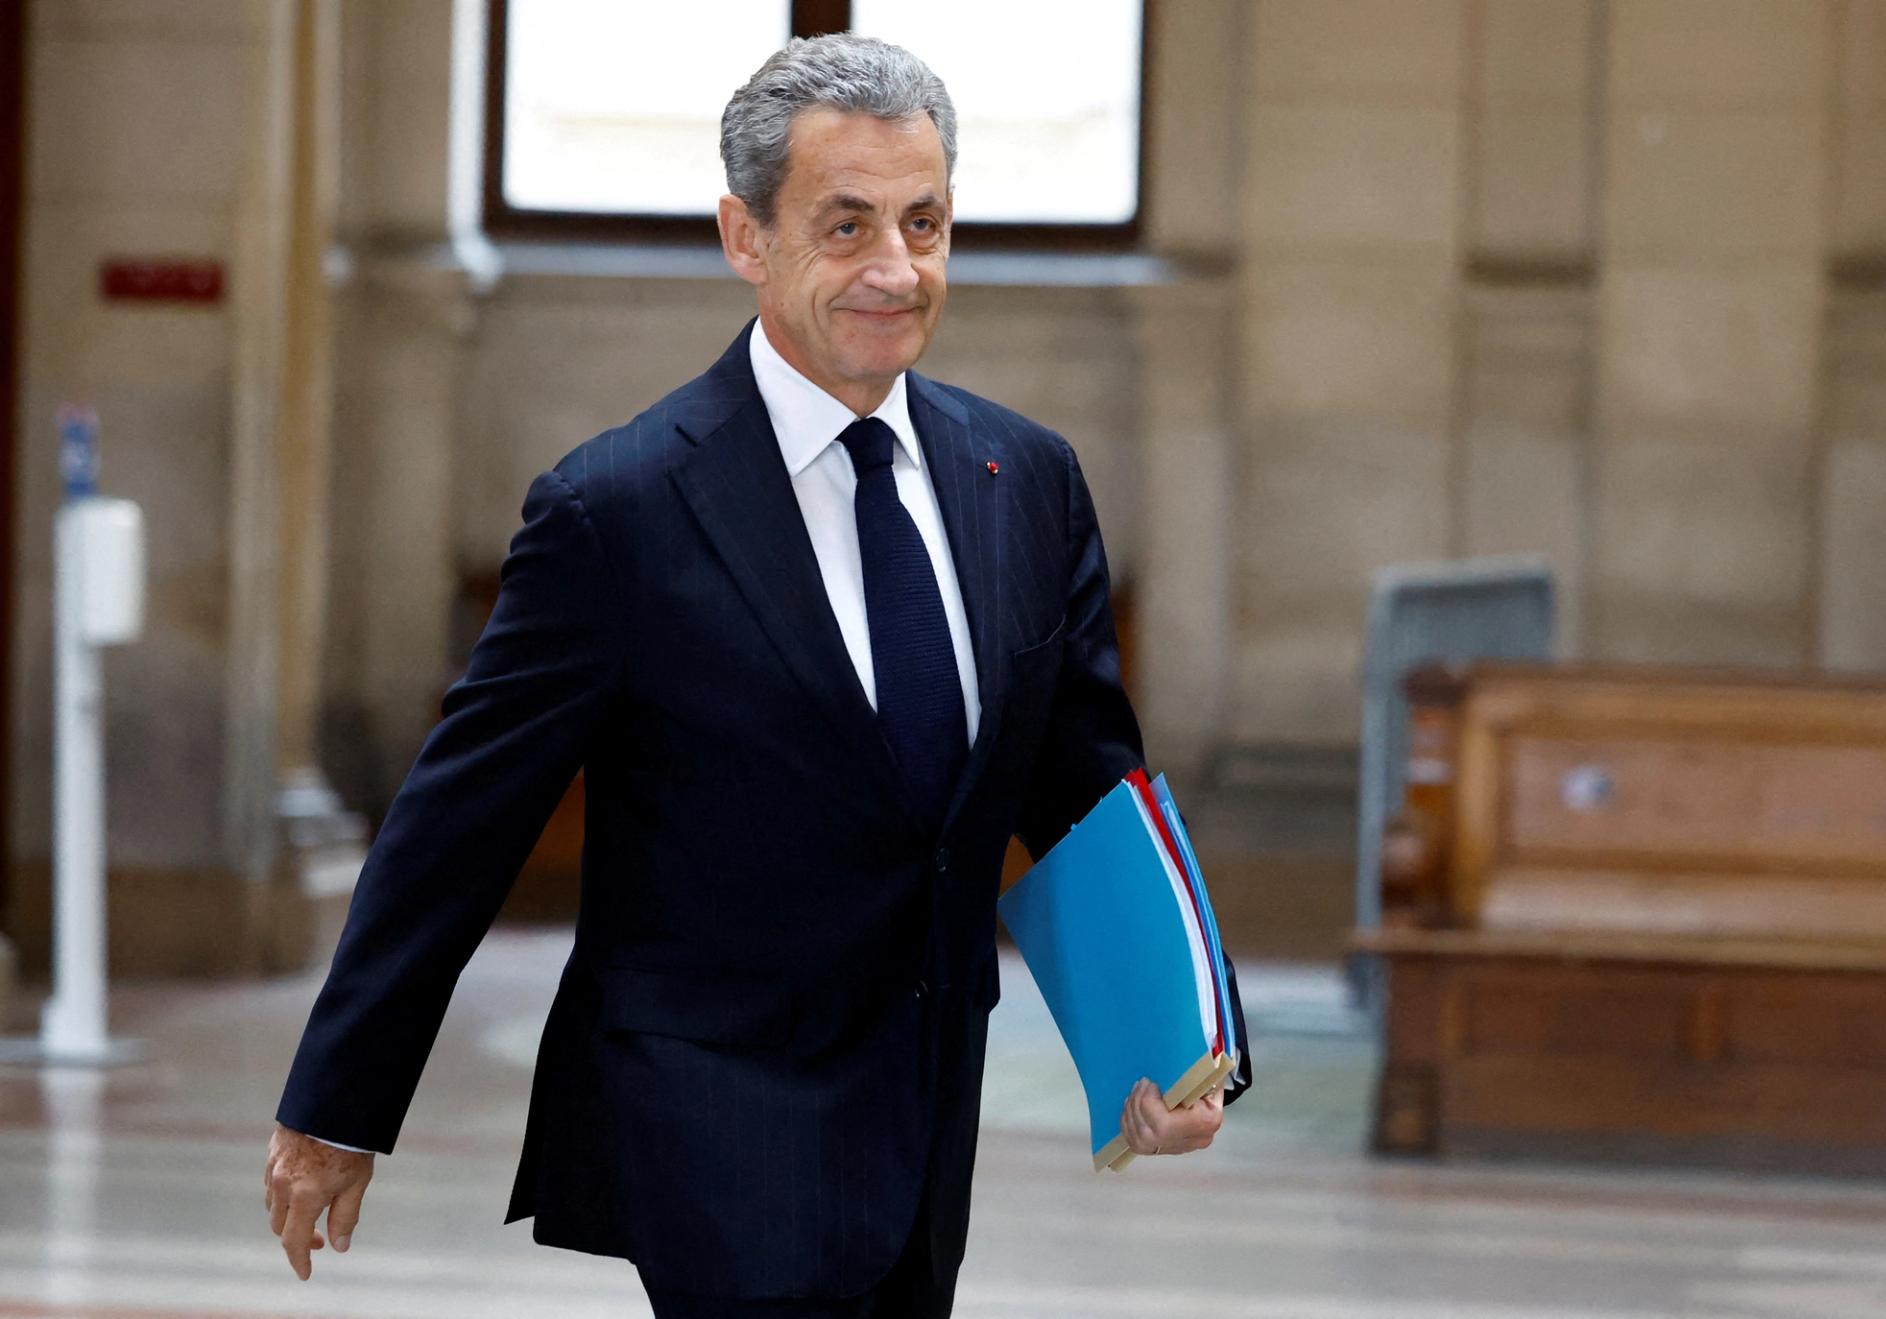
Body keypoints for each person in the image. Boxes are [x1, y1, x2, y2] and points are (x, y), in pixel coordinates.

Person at [263, 32, 1250, 1318]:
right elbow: (456, 826)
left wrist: (1181, 1048)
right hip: (714, 1109)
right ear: (747, 237)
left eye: (924, 222)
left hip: (926, 1104)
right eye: (846, 226)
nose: (896, 268)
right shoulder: (615, 510)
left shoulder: (1029, 483)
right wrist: (339, 1100)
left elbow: (1088, 789)